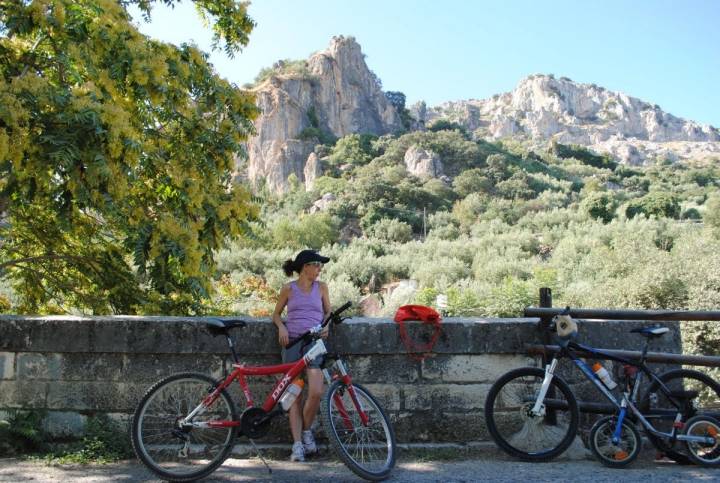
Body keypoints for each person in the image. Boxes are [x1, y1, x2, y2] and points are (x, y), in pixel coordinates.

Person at [272, 249, 331, 462]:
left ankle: (306, 432)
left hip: (314, 344)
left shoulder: (322, 287)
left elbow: (328, 313)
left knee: (315, 391)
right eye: (317, 264)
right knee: (293, 397)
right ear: (305, 266)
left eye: (320, 265)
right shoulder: (288, 289)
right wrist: (281, 328)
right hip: (293, 345)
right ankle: (297, 445)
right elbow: (276, 314)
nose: (319, 268)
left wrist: (326, 326)